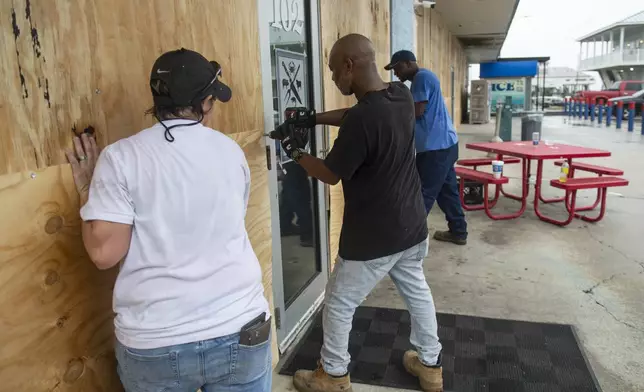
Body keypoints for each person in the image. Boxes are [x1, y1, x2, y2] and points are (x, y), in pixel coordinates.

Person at [65, 48, 272, 392]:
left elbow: (104, 254)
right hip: (240, 327)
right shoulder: (230, 152)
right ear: (205, 103)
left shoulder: (121, 158)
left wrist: (88, 187)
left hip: (156, 341)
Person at [273, 34, 443, 392]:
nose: (334, 79)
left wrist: (295, 152)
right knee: (417, 293)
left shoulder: (361, 120)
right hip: (411, 225)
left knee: (337, 303)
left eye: (335, 71)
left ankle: (333, 375)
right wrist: (314, 118)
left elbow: (331, 174)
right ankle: (431, 365)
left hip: (373, 237)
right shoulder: (399, 95)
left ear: (350, 65)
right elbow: (357, 114)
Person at [385, 50, 468, 245]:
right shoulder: (422, 78)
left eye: (396, 68)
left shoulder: (421, 77)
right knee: (448, 192)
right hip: (445, 145)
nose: (395, 73)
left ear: (407, 63)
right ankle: (458, 231)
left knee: (423, 193)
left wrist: (388, 115)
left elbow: (417, 111)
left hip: (435, 148)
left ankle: (408, 240)